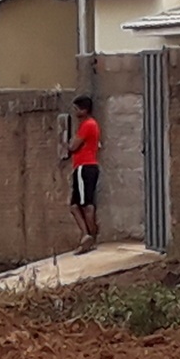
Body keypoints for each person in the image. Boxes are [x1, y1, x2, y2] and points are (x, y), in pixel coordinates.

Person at [64, 94, 100, 254]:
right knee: (76, 204)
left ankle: (89, 236)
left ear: (84, 110)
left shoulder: (87, 125)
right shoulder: (90, 124)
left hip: (84, 167)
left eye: (77, 109)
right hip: (87, 167)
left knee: (85, 204)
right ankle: (87, 236)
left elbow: (73, 146)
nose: (75, 112)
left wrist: (69, 143)